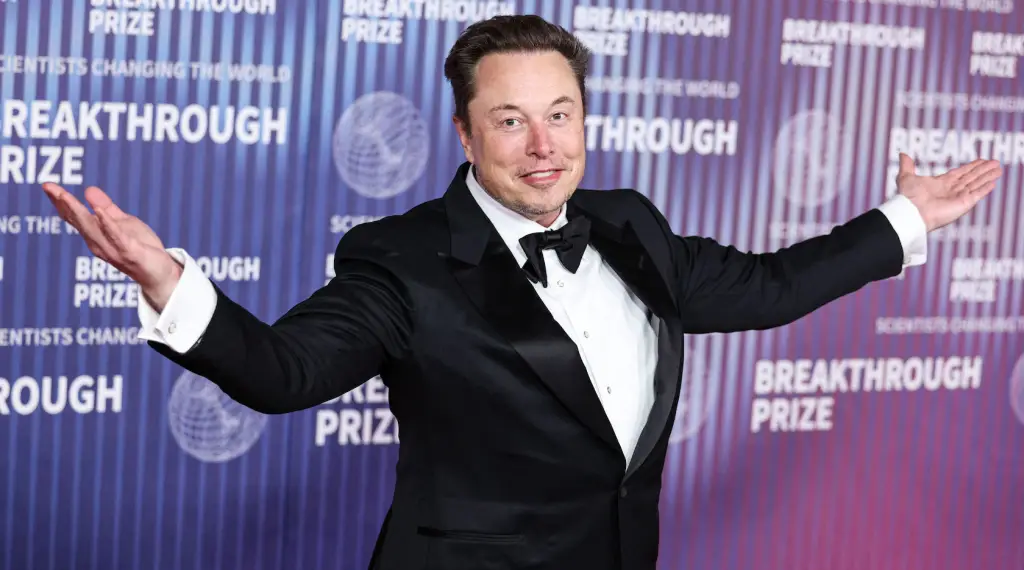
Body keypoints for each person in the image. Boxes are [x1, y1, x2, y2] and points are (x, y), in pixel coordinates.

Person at [41, 14, 1001, 570]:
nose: (544, 147)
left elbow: (769, 287)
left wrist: (904, 218)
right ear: (465, 134)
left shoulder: (630, 225)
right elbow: (284, 372)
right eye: (510, 121)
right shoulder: (403, 257)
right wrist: (170, 283)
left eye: (560, 114)